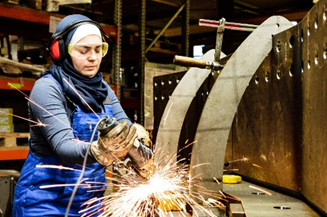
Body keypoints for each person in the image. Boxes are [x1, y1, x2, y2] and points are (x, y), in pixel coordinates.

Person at [12, 14, 141, 217]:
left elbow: (125, 127)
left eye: (99, 50)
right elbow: (63, 146)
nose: (93, 57)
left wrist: (137, 142)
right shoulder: (47, 88)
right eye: (84, 50)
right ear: (61, 51)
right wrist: (100, 150)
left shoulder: (103, 90)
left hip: (90, 205)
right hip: (45, 203)